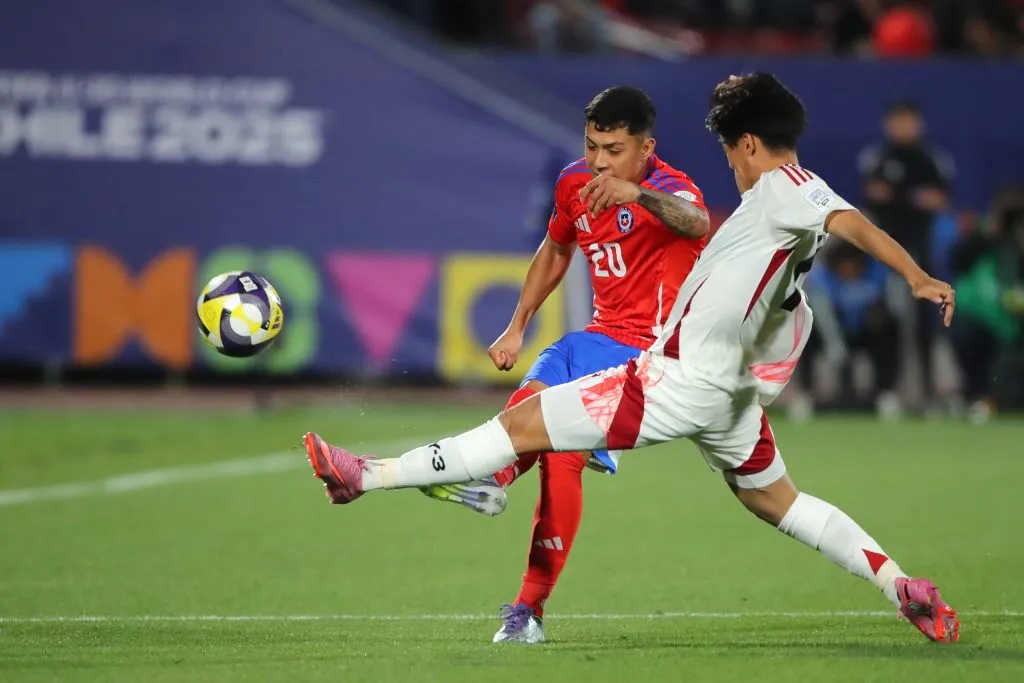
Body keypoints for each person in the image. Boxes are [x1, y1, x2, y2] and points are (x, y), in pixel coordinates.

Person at [302, 73, 960, 645]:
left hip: (677, 379)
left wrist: (915, 274)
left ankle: (370, 474)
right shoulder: (785, 193)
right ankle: (900, 583)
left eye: (732, 150)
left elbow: (852, 224)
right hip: (730, 395)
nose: (730, 164)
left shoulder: (784, 189)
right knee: (779, 502)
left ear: (750, 146)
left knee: (520, 426)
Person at [420, 85, 709, 640]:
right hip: (596, 342)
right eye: (593, 144)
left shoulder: (672, 189)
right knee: (544, 386)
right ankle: (494, 484)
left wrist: (636, 196)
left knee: (560, 456)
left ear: (647, 148)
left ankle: (526, 600)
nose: (600, 160)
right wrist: (516, 325)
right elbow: (557, 248)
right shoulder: (576, 182)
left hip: (652, 356)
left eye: (615, 149)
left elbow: (697, 224)